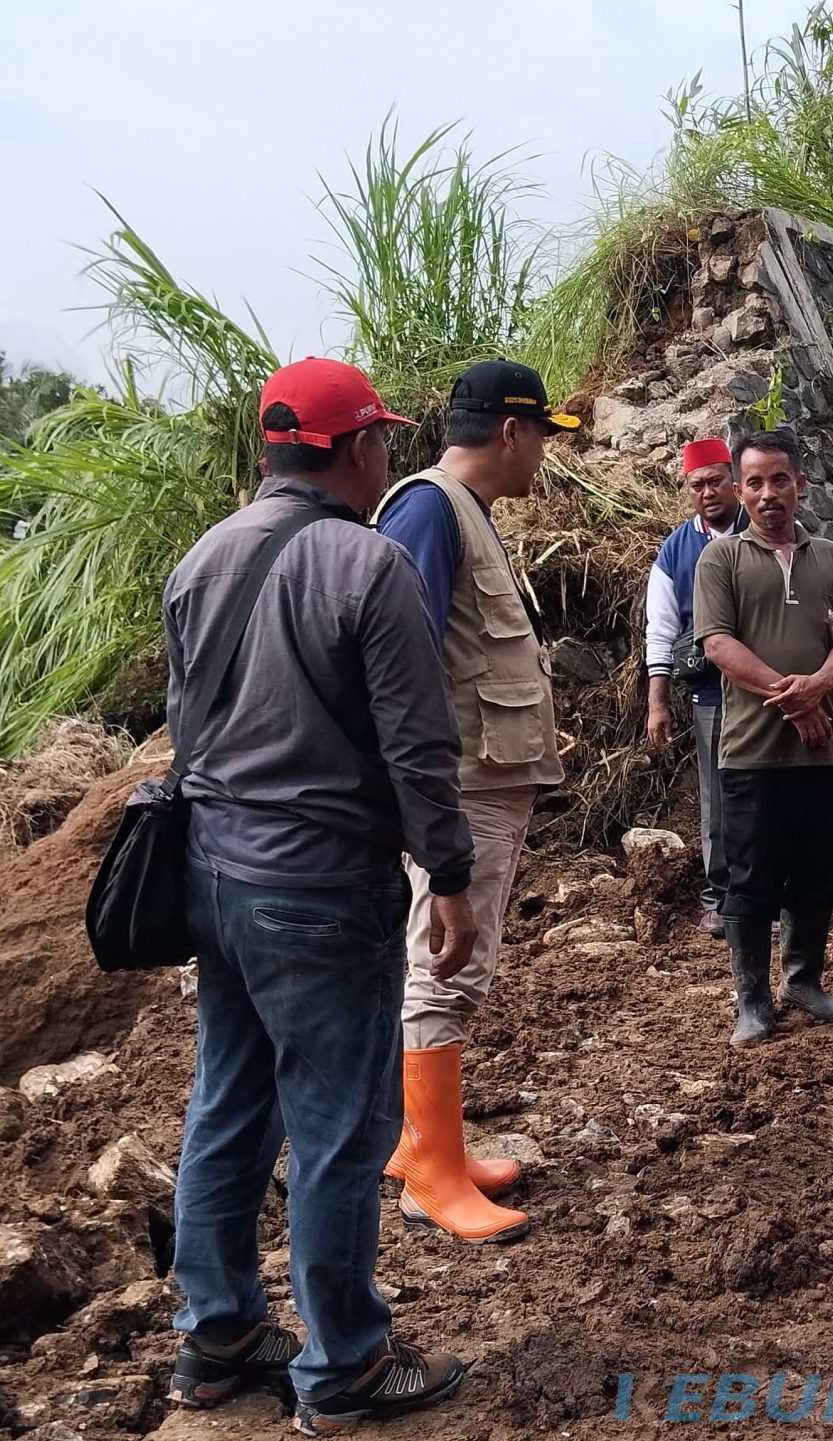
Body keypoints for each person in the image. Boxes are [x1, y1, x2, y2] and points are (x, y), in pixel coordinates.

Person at [164, 358, 471, 1431]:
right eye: (382, 437)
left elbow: (184, 723)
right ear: (357, 449)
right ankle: (342, 1366)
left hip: (214, 876)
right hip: (321, 885)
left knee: (228, 1100)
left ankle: (217, 1336)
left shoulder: (203, 556)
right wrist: (450, 874)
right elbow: (419, 743)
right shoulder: (370, 564)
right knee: (338, 1128)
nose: (387, 454)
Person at [369, 358, 573, 1247]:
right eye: (542, 437)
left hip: (479, 781)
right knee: (444, 967)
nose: (544, 456)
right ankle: (432, 1174)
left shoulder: (460, 512)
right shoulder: (429, 511)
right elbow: (400, 663)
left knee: (441, 964)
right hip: (460, 788)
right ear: (510, 432)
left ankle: (426, 1143)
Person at [692, 429, 833, 1047]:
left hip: (825, 751)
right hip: (752, 750)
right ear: (739, 491)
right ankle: (753, 1000)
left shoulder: (832, 558)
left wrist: (818, 686)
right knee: (750, 876)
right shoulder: (721, 560)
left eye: (780, 480)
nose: (768, 493)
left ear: (800, 485)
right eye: (755, 483)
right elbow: (717, 644)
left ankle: (804, 980)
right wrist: (795, 701)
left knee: (824, 865)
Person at [644, 437, 748, 938]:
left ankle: (765, 894)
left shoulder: (764, 533)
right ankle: (718, 897)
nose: (707, 492)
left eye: (715, 482)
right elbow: (661, 629)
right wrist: (657, 701)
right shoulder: (676, 550)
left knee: (767, 791)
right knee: (717, 799)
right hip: (709, 692)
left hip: (768, 693)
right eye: (697, 485)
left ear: (734, 483)